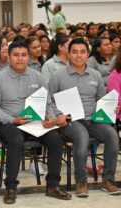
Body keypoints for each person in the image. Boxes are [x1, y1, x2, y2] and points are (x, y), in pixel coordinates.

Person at [0, 41, 71, 204]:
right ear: (9, 56)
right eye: (16, 55)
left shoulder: (38, 77)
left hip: (35, 122)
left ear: (29, 57)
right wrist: (12, 119)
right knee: (16, 140)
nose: (20, 59)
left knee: (55, 139)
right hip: (10, 123)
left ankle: (53, 186)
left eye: (24, 55)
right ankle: (11, 187)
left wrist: (50, 118)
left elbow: (47, 103)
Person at [48, 38, 120, 197]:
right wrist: (58, 115)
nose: (78, 56)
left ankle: (108, 180)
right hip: (71, 121)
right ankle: (81, 181)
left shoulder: (95, 75)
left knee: (112, 136)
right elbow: (50, 100)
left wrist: (110, 108)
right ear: (68, 53)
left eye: (82, 52)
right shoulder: (58, 76)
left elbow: (101, 98)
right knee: (82, 136)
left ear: (88, 54)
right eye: (74, 52)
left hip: (93, 119)